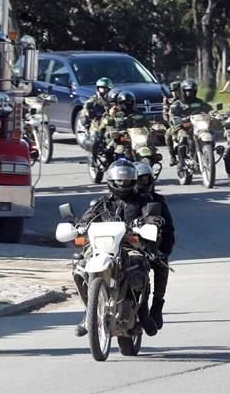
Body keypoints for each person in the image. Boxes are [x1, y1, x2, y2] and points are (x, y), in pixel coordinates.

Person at [73, 160, 156, 337]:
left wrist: (150, 222)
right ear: (111, 180)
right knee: (79, 266)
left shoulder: (143, 201)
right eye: (119, 180)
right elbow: (87, 218)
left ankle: (143, 313)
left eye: (126, 181)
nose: (122, 184)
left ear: (133, 180)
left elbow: (151, 216)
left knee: (139, 265)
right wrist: (79, 226)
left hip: (129, 243)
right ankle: (89, 313)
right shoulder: (102, 202)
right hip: (101, 245)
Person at [135, 161, 174, 329]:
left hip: (148, 247)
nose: (138, 184)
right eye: (134, 180)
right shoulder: (114, 200)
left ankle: (156, 306)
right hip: (116, 245)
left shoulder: (157, 201)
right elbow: (93, 215)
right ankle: (91, 310)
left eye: (143, 179)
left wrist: (162, 251)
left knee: (161, 264)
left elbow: (169, 231)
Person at [164, 79, 212, 166]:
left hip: (197, 126)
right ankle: (182, 163)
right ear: (183, 91)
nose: (190, 93)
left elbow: (209, 109)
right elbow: (172, 115)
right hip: (184, 127)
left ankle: (207, 154)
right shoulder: (177, 104)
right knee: (183, 139)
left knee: (211, 135)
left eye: (192, 91)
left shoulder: (199, 102)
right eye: (187, 91)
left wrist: (216, 114)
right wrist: (176, 120)